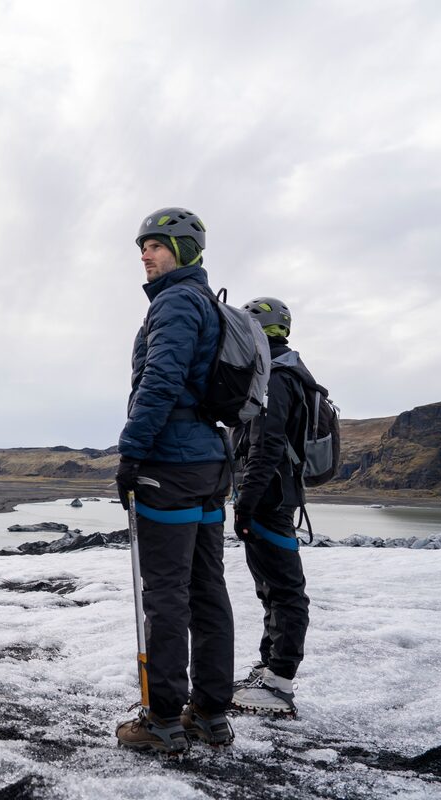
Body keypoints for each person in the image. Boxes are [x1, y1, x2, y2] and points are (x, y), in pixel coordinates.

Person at [114, 208, 235, 753]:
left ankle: (161, 719)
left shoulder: (176, 302)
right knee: (207, 589)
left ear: (185, 251)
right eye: (142, 247)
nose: (145, 254)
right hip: (209, 463)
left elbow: (160, 380)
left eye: (158, 246)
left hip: (173, 466)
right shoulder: (206, 301)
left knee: (166, 594)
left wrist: (131, 454)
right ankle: (210, 713)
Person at [230, 298, 311, 717]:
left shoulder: (275, 378)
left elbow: (266, 447)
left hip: (269, 499)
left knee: (283, 589)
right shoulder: (285, 371)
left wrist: (245, 504)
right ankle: (268, 669)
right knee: (272, 588)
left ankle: (279, 684)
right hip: (276, 496)